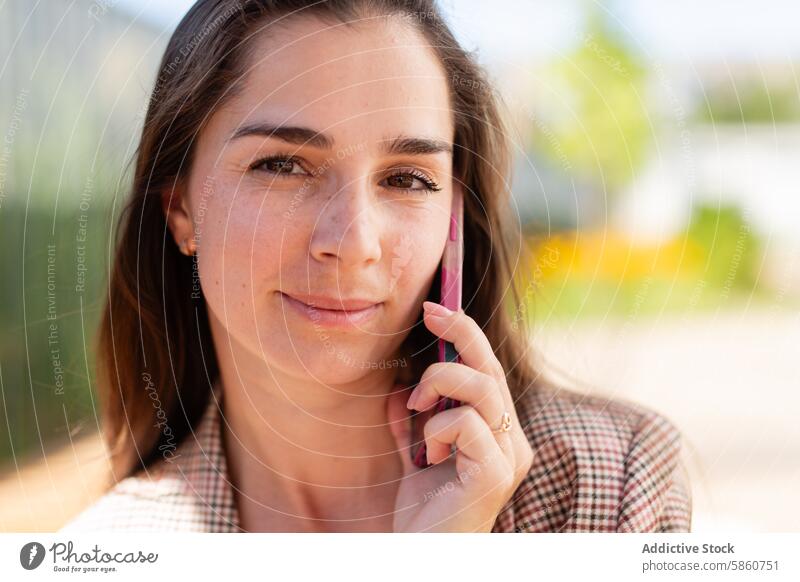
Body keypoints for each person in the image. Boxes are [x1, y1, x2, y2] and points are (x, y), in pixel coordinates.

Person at [60, 0, 691, 533]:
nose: (355, 241)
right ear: (181, 211)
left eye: (407, 178)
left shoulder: (606, 492)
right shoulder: (117, 545)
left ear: (453, 221)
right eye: (282, 165)